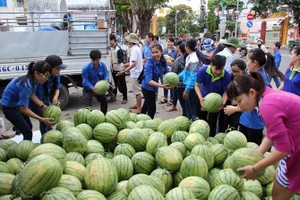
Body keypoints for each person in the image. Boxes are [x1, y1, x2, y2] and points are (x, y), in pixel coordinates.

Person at [227, 72, 300, 200]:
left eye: (239, 101)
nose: (239, 107)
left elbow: (284, 149)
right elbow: (272, 134)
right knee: (278, 179)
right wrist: (256, 155)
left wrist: (255, 168)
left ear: (252, 93)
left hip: (295, 148)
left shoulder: (267, 106)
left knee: (278, 196)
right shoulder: (267, 95)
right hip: (295, 143)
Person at [1, 61, 54, 140]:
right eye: (45, 76)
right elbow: (23, 109)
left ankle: (18, 130)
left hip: (16, 106)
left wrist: (42, 105)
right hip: (9, 109)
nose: (46, 79)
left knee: (29, 126)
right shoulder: (26, 84)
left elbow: (31, 94)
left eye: (48, 77)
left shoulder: (33, 80)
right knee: (28, 132)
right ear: (36, 73)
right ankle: (23, 150)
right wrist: (42, 119)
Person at [239, 48, 271, 145]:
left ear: (255, 62)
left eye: (248, 60)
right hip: (246, 120)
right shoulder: (253, 75)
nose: (247, 63)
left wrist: (235, 109)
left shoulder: (260, 80)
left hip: (254, 123)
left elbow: (256, 103)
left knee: (251, 151)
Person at [195, 54, 232, 136]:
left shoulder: (226, 75)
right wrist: (200, 98)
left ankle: (211, 138)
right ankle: (199, 137)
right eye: (216, 69)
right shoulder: (203, 70)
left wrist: (222, 103)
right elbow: (197, 86)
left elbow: (226, 92)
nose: (218, 72)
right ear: (211, 65)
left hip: (216, 102)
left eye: (221, 69)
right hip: (203, 98)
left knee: (212, 122)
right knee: (201, 120)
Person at [29, 55, 67, 135]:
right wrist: (42, 106)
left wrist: (55, 97)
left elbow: (58, 87)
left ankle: (50, 135)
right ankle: (45, 137)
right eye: (57, 68)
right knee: (44, 119)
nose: (59, 71)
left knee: (48, 118)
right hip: (36, 100)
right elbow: (35, 95)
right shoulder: (41, 77)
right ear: (49, 68)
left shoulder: (56, 74)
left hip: (45, 97)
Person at [140, 44, 171, 118]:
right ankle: (148, 125)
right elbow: (149, 81)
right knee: (152, 109)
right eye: (153, 52)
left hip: (154, 88)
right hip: (147, 88)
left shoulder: (163, 62)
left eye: (156, 52)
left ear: (161, 52)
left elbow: (166, 74)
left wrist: (171, 82)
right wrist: (162, 86)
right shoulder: (149, 63)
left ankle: (140, 119)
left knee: (146, 105)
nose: (155, 54)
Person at [117, 33, 143, 113]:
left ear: (131, 41)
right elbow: (134, 62)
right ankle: (137, 105)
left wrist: (124, 71)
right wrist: (127, 64)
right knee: (136, 90)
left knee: (138, 91)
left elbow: (134, 63)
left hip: (136, 73)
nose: (127, 42)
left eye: (128, 40)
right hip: (136, 72)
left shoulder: (135, 50)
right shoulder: (135, 48)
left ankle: (139, 108)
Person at [178, 38, 203, 121]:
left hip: (193, 89)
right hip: (190, 87)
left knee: (193, 113)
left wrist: (187, 90)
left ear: (187, 47)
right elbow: (186, 72)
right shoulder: (190, 57)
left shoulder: (194, 59)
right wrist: (176, 77)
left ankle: (195, 129)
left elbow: (194, 78)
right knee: (189, 111)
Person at [222, 59, 247, 131]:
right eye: (233, 71)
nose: (235, 74)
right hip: (229, 101)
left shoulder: (247, 79)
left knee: (235, 124)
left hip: (240, 105)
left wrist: (236, 101)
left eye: (237, 72)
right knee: (223, 121)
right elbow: (226, 91)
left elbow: (246, 95)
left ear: (243, 70)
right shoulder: (229, 77)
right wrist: (223, 103)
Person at [82, 50, 109, 114]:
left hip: (99, 89)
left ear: (100, 58)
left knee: (104, 101)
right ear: (91, 59)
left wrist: (106, 82)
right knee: (87, 108)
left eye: (96, 60)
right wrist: (92, 87)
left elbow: (106, 74)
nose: (95, 62)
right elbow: (85, 81)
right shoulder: (86, 68)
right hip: (88, 89)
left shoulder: (102, 66)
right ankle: (88, 120)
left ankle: (103, 116)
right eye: (93, 60)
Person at [167, 40, 185, 112]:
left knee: (184, 104)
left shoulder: (179, 59)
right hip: (189, 84)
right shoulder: (191, 58)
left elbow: (174, 72)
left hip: (180, 84)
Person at [109, 34, 128, 104]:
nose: (109, 42)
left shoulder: (118, 49)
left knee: (123, 84)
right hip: (113, 69)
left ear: (114, 40)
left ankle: (125, 98)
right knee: (114, 84)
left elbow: (121, 59)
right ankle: (114, 97)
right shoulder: (111, 48)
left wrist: (114, 62)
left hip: (120, 69)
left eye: (110, 40)